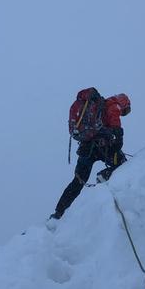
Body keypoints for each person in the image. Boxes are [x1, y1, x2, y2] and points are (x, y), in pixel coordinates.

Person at [50, 88, 131, 219]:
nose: (123, 113)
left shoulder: (97, 106)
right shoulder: (114, 105)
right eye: (125, 110)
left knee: (78, 181)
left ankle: (59, 212)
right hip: (102, 147)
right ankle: (104, 175)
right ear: (124, 102)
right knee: (123, 164)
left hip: (86, 148)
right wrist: (118, 140)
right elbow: (116, 126)